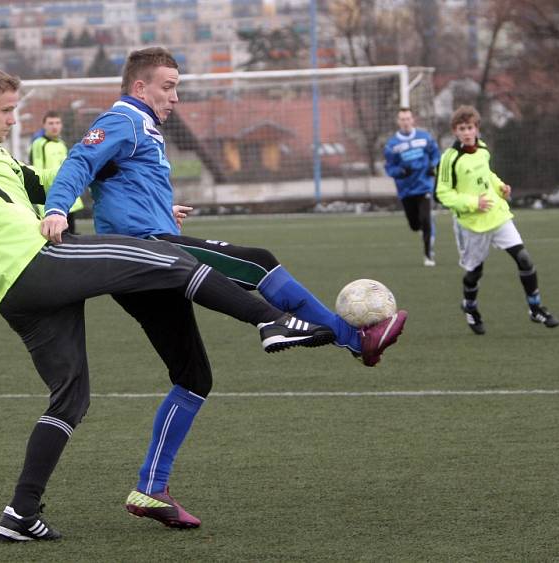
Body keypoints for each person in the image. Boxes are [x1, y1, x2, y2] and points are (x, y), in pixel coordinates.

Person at [0, 67, 335, 542]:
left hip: (15, 294)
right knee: (164, 256)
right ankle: (272, 321)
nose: (13, 120)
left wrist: (113, 175)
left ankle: (20, 513)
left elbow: (47, 181)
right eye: (6, 110)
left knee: (71, 397)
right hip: (38, 263)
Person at [41, 47, 408, 529]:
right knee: (258, 263)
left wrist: (162, 211)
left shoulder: (142, 129)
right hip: (153, 255)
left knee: (194, 378)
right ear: (139, 88)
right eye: (168, 86)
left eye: (177, 87)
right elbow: (79, 162)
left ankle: (151, 488)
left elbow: (116, 186)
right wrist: (57, 208)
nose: (175, 97)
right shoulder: (124, 119)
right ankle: (353, 338)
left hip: (144, 260)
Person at [435, 105, 559, 334]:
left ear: (476, 128)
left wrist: (500, 186)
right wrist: (474, 204)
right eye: (461, 128)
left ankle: (535, 308)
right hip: (472, 224)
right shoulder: (449, 159)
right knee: (475, 272)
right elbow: (442, 193)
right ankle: (470, 308)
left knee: (524, 259)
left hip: (497, 214)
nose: (466, 132)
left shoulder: (482, 149)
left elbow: (487, 175)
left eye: (470, 127)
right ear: (455, 131)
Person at [383, 107, 441, 266]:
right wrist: (401, 171)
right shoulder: (391, 145)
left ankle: (428, 255)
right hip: (406, 190)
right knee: (415, 225)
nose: (406, 122)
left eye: (408, 118)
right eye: (402, 119)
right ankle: (424, 226)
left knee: (426, 220)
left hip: (424, 186)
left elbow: (436, 154)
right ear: (398, 122)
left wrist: (433, 165)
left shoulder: (425, 137)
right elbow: (389, 168)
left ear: (413, 120)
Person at [28, 110, 84, 233]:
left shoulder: (62, 144)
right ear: (44, 125)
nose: (54, 126)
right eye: (51, 123)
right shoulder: (39, 144)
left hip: (67, 196)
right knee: (58, 236)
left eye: (57, 123)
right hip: (52, 198)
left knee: (71, 233)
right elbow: (37, 171)